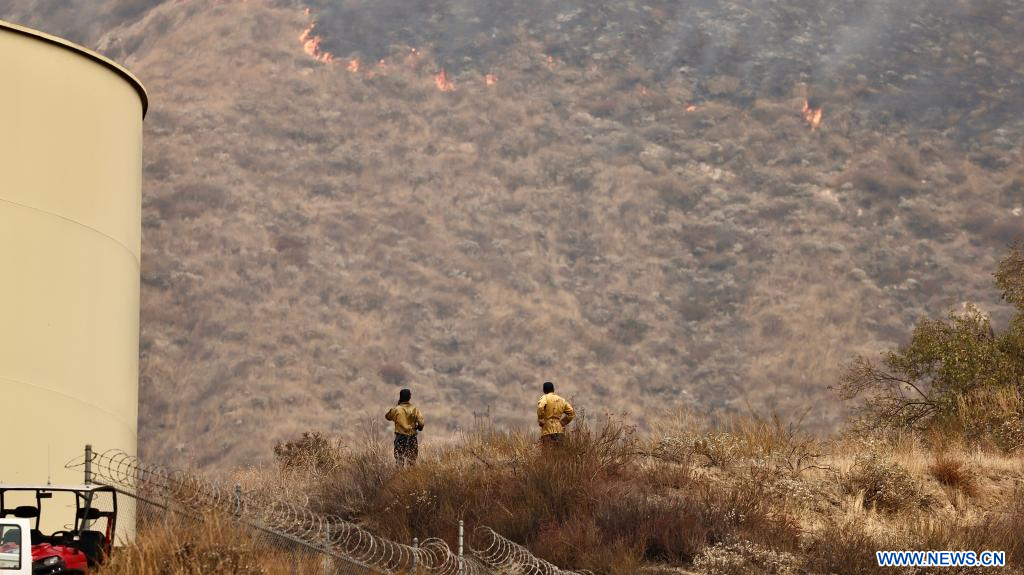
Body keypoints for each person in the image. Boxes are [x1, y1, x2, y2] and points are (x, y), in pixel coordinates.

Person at [385, 388, 425, 466]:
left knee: (399, 461)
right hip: (412, 438)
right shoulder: (414, 409)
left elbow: (387, 416)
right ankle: (411, 477)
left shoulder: (396, 409)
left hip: (400, 438)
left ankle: (399, 477)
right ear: (409, 397)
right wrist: (419, 427)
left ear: (400, 397)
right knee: (412, 462)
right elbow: (421, 423)